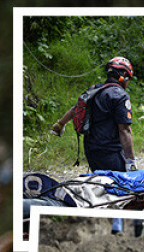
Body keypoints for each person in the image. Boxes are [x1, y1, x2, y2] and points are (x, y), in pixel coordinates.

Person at [52, 57, 136, 235]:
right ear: (123, 77)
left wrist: (60, 124)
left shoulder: (95, 90)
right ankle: (117, 226)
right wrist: (130, 161)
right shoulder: (119, 95)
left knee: (99, 186)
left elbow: (76, 108)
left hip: (91, 149)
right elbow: (125, 131)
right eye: (128, 78)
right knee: (120, 187)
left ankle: (97, 224)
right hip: (111, 152)